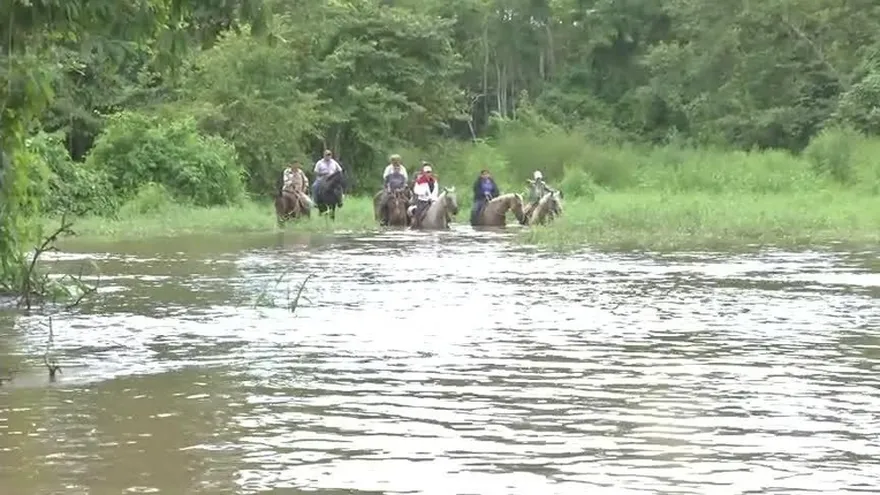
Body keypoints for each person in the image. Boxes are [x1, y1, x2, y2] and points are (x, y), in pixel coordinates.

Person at [378, 154, 409, 225]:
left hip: (401, 188)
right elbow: (386, 179)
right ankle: (383, 218)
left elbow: (405, 180)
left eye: (397, 161)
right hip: (390, 188)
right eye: (394, 161)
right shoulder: (388, 168)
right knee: (383, 201)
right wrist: (389, 189)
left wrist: (402, 189)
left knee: (408, 201)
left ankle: (408, 217)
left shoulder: (403, 169)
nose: (395, 162)